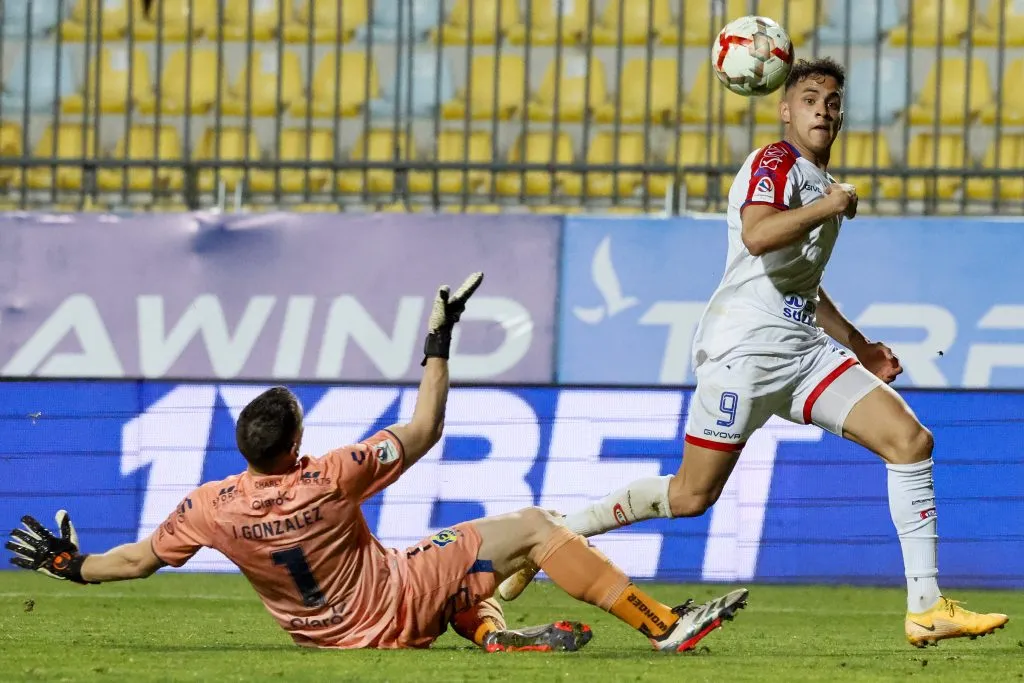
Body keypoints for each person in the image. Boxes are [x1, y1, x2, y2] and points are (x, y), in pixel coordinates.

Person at [497, 58, 1009, 648]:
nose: (823, 108)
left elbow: (800, 282)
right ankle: (550, 535)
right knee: (690, 497)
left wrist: (859, 344)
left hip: (801, 351)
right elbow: (758, 234)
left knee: (911, 441)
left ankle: (926, 606)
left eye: (833, 101)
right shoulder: (776, 160)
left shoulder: (820, 183)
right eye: (810, 98)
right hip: (745, 350)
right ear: (785, 109)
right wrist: (831, 206)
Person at [7, 272, 748, 653]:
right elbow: (425, 426)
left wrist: (69, 564)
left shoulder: (211, 506)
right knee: (529, 526)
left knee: (462, 562)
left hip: (322, 633)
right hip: (391, 600)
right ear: (294, 444)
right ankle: (660, 624)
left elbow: (136, 561)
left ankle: (491, 631)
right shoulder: (329, 475)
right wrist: (439, 336)